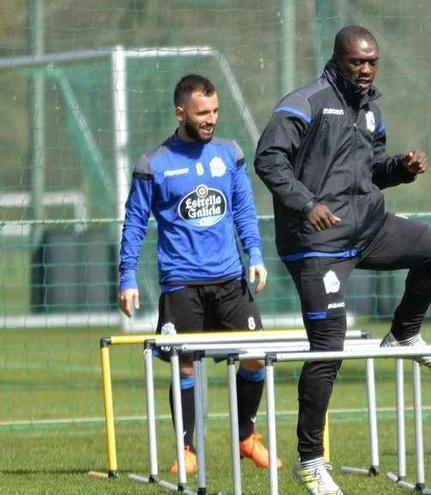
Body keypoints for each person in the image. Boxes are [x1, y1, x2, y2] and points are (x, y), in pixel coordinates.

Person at [254, 25, 431, 495]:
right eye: (356, 62)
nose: (365, 70)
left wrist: (401, 170)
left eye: (372, 62)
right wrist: (307, 203)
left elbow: (373, 173)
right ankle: (310, 461)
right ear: (337, 60)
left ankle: (404, 335)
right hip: (316, 241)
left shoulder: (370, 111)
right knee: (329, 348)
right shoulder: (304, 102)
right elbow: (269, 160)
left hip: (368, 230)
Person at [117, 74, 276, 475]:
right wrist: (127, 277)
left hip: (229, 281)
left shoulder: (230, 153)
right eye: (202, 113)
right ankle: (186, 448)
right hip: (181, 284)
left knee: (256, 356)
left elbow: (243, 208)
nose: (211, 119)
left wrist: (254, 253)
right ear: (180, 112)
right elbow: (134, 224)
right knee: (184, 365)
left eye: (215, 111)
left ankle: (245, 436)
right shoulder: (153, 164)